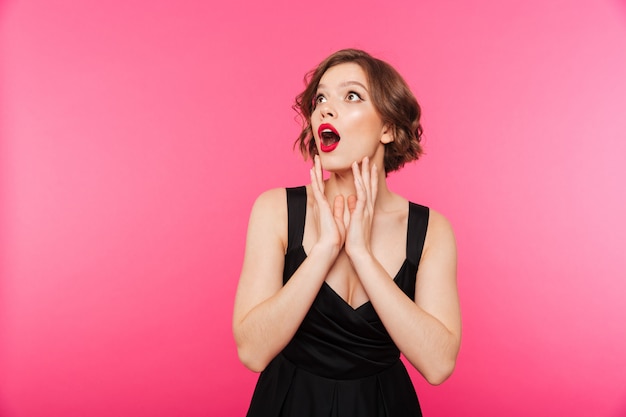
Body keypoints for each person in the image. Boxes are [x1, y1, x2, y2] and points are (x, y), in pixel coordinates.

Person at [233, 48, 461, 417]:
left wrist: (361, 254)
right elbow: (252, 353)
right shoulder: (275, 211)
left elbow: (438, 366)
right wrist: (325, 249)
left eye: (351, 95)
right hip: (289, 404)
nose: (325, 108)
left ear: (388, 129)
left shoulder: (431, 230)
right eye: (320, 98)